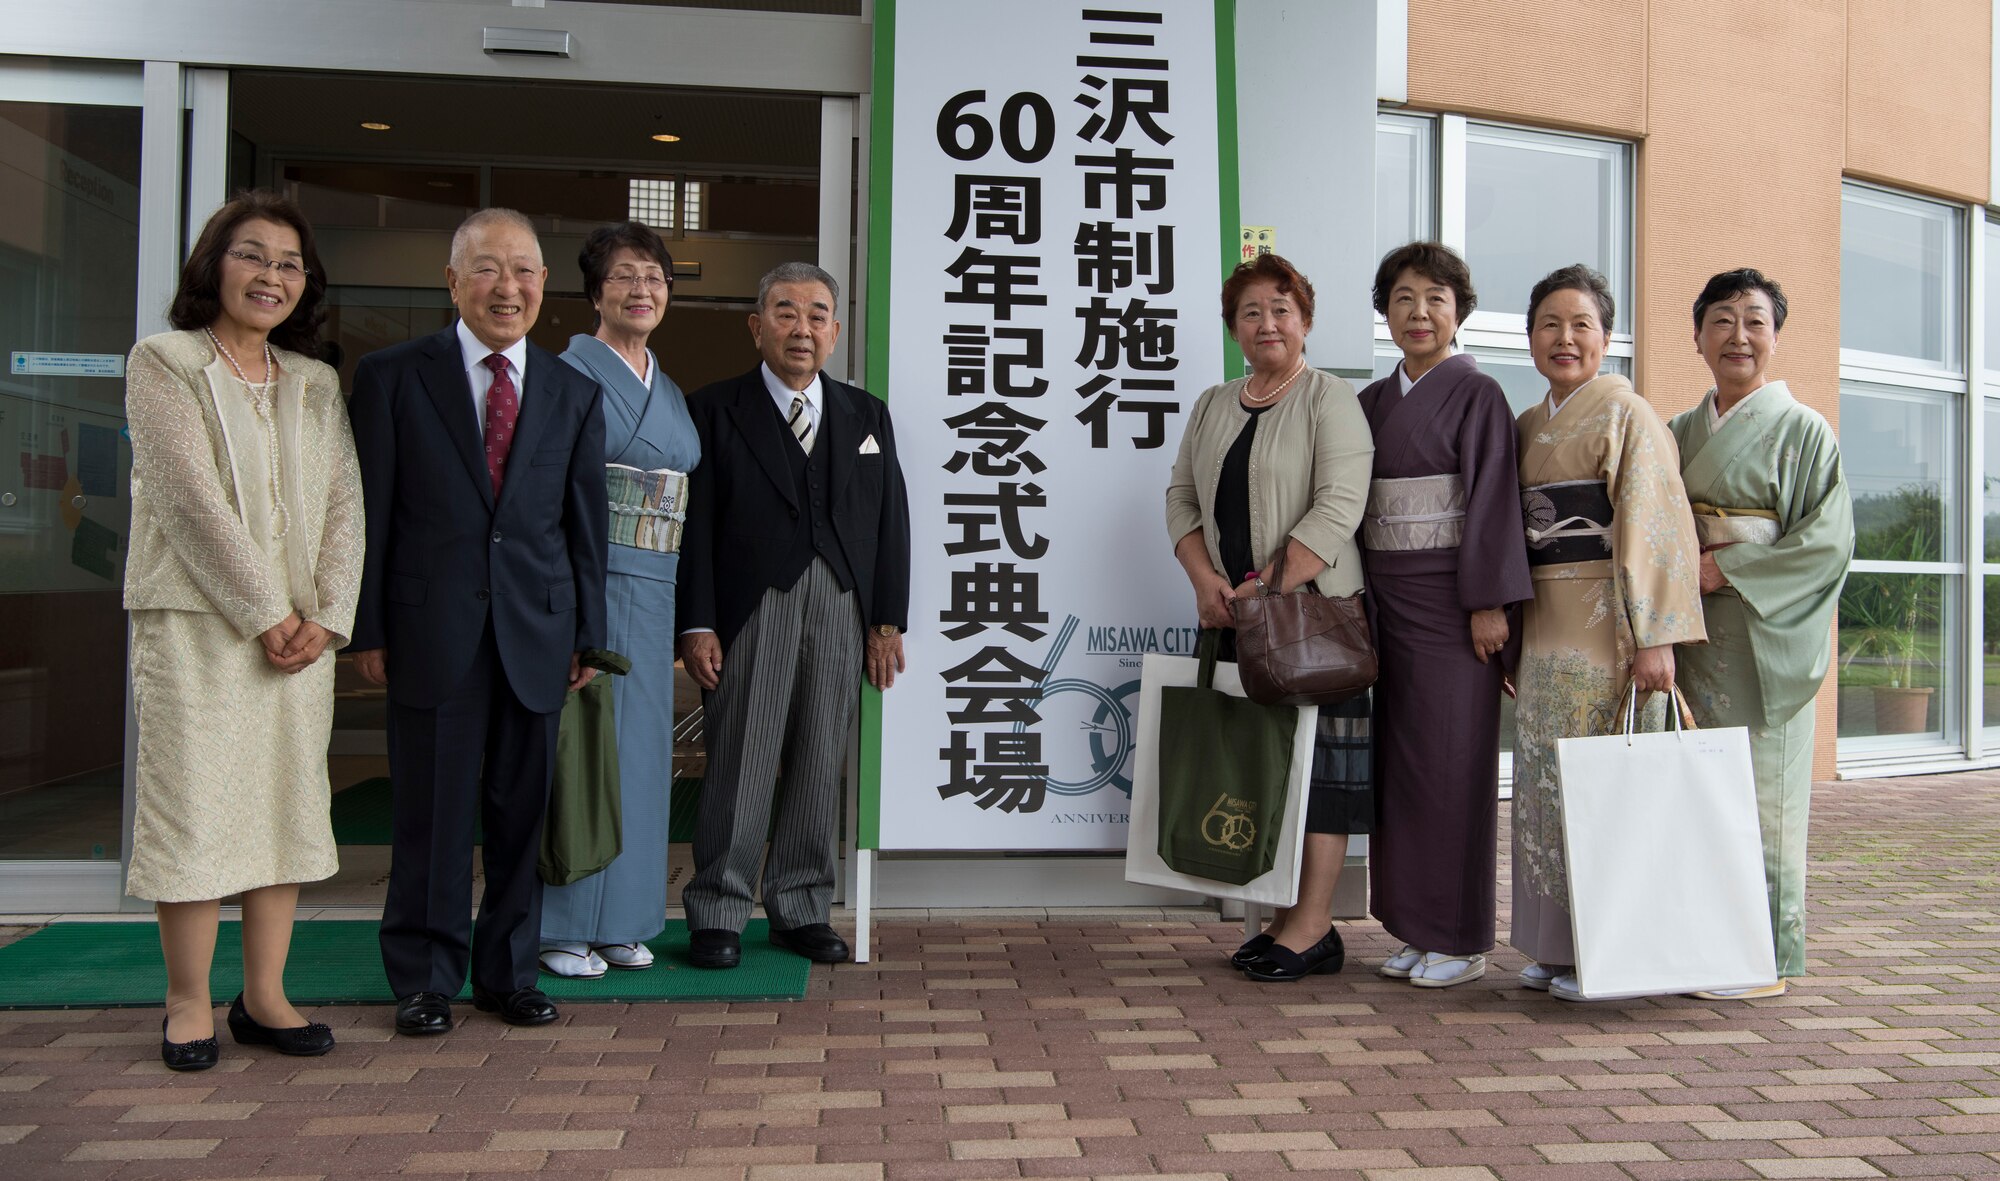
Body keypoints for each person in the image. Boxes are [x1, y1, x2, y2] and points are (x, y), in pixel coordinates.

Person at [348, 208, 608, 1034]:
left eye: (526, 270)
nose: (510, 287)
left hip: (537, 630)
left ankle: (507, 972)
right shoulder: (394, 376)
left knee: (518, 814)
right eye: (489, 268)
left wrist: (587, 632)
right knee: (430, 812)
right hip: (431, 630)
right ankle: (424, 979)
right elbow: (372, 511)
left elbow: (583, 525)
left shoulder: (573, 389)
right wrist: (369, 627)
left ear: (543, 286)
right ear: (453, 280)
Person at [123, 191, 360, 1070]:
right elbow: (188, 501)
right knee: (191, 808)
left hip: (302, 640)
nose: (272, 275)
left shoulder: (316, 381)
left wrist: (327, 617)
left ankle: (264, 996)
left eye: (290, 263)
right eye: (253, 255)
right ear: (212, 265)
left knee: (283, 808)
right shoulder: (166, 361)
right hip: (197, 626)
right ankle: (187, 1001)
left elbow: (346, 504)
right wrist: (267, 612)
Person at [675, 261, 911, 969]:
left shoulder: (866, 414)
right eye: (785, 311)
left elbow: (890, 520)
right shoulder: (713, 409)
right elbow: (695, 526)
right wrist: (697, 623)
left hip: (841, 605)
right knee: (741, 758)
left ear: (835, 332)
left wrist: (886, 620)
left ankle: (801, 905)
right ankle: (718, 907)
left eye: (816, 314)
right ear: (757, 325)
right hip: (752, 605)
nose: (800, 327)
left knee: (818, 758)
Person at [1165, 253, 1375, 982]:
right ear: (1233, 327)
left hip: (1312, 617)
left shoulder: (1330, 398)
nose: (1267, 323)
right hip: (1231, 615)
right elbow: (1182, 499)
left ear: (1306, 321)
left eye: (1281, 309)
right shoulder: (1215, 403)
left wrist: (1271, 584)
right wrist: (1204, 579)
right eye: (1251, 312)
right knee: (1269, 764)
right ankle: (1287, 917)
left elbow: (1340, 505)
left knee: (1323, 769)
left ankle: (1316, 924)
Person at [1510, 264, 1706, 1001]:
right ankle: (1554, 943)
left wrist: (1656, 636)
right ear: (1529, 337)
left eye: (1581, 325)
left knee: (1605, 784)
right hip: (1544, 619)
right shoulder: (1529, 426)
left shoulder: (1630, 416)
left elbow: (1656, 528)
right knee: (1544, 784)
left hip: (1605, 627)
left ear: (1606, 336)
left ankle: (1610, 944)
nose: (1565, 338)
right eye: (1549, 324)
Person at [1670, 269, 1852, 1000]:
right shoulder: (1679, 430)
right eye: (1722, 320)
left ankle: (1763, 956)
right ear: (1698, 337)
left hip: (1761, 634)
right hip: (1690, 631)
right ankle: (1702, 942)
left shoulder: (1805, 430)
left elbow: (1827, 543)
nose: (1738, 336)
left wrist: (1730, 569)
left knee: (1764, 799)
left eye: (1754, 321)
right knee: (1698, 792)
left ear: (1774, 337)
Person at [1355, 243, 1532, 989]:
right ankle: (1411, 923)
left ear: (1459, 311)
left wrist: (1489, 602)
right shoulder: (1368, 403)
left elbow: (1493, 500)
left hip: (1453, 606)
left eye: (1435, 297)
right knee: (1399, 767)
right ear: (1384, 312)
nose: (1418, 312)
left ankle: (1459, 936)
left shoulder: (1478, 393)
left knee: (1453, 764)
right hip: (1384, 601)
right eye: (1402, 298)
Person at [537, 222, 700, 978]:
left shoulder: (663, 386)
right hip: (591, 581)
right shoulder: (564, 375)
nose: (644, 291)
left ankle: (627, 919)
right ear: (594, 291)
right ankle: (563, 922)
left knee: (641, 759)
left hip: (656, 585)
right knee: (581, 756)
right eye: (626, 277)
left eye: (656, 278)